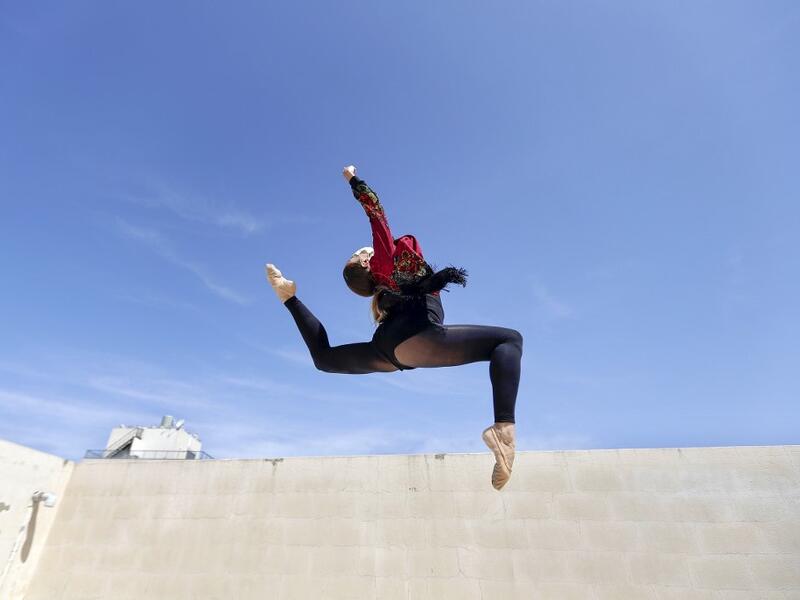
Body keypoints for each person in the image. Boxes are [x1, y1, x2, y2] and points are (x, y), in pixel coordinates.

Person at [265, 165, 523, 490]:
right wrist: (353, 180)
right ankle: (504, 430)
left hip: (388, 349)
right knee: (509, 341)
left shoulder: (386, 290)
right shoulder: (385, 262)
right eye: (362, 252)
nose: (366, 248)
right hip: (417, 331)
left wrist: (291, 300)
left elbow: (323, 357)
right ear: (366, 263)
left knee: (324, 358)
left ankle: (288, 297)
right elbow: (376, 213)